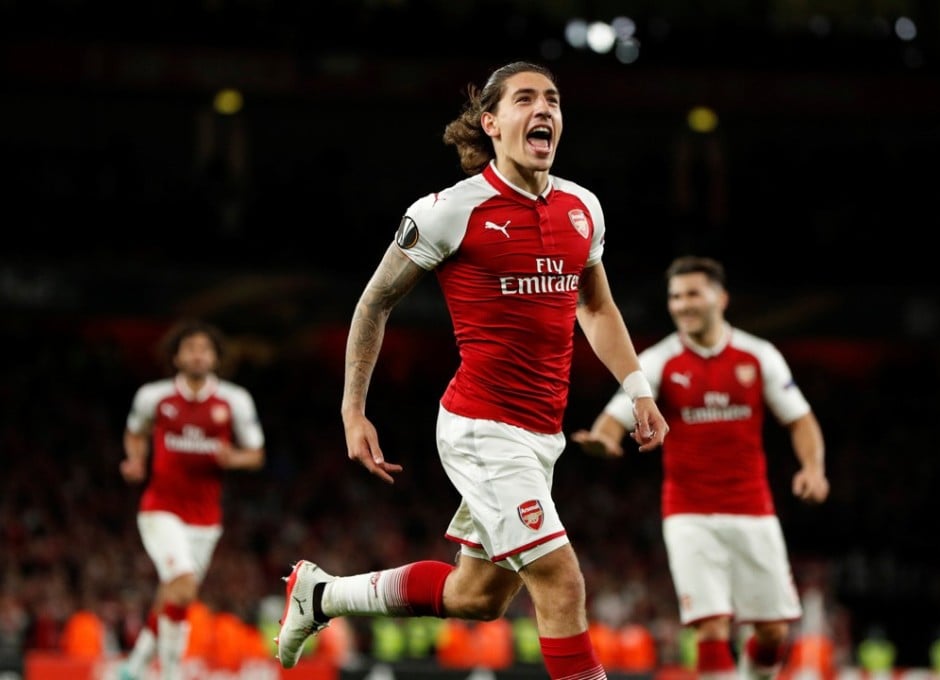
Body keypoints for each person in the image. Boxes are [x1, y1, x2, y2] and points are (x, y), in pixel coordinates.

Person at [274, 60, 668, 679]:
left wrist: (637, 389)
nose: (544, 110)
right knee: (561, 579)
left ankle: (320, 595)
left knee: (477, 597)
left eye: (554, 101)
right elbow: (374, 302)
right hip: (482, 426)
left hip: (542, 435)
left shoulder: (582, 208)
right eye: (526, 100)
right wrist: (353, 410)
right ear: (490, 122)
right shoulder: (448, 211)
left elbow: (595, 305)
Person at [571, 255, 829, 680]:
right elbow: (617, 413)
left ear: (721, 298)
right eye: (675, 297)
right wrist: (605, 438)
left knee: (772, 633)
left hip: (753, 510)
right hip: (688, 513)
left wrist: (813, 469)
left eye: (693, 294)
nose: (682, 305)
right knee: (710, 626)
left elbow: (800, 419)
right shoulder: (659, 360)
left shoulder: (758, 355)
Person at [119, 319, 266, 680]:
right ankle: (170, 673)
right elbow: (134, 433)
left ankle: (134, 668)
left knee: (172, 594)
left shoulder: (234, 400)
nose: (198, 355)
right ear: (177, 356)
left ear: (216, 357)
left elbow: (256, 453)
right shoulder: (154, 396)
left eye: (205, 349)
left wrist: (235, 458)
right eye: (191, 348)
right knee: (182, 588)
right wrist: (136, 458)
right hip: (160, 509)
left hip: (205, 519)